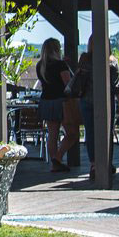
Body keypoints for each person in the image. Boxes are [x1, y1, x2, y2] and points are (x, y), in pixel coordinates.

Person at [35, 38, 71, 172]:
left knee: (52, 134)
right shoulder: (61, 65)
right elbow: (68, 84)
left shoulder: (40, 66)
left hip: (46, 101)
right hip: (61, 101)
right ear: (57, 49)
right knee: (71, 133)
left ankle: (54, 162)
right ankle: (58, 157)